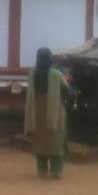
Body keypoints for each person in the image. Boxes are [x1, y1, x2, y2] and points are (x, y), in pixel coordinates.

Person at [24, 47, 71, 179]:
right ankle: (56, 171)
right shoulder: (56, 74)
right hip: (55, 110)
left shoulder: (32, 74)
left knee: (41, 142)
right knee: (55, 141)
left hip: (38, 111)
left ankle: (42, 170)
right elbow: (67, 91)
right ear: (50, 59)